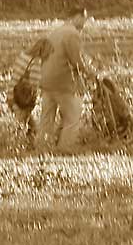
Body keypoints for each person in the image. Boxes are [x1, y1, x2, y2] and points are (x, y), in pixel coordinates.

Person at [38, 8, 96, 152]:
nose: (84, 23)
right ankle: (66, 148)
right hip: (62, 82)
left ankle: (41, 148)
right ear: (77, 17)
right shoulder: (72, 34)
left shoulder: (55, 32)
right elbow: (77, 61)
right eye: (84, 18)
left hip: (46, 80)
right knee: (73, 115)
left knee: (46, 118)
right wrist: (90, 73)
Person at [7, 38, 51, 145]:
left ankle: (27, 145)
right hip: (23, 99)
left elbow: (15, 76)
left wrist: (9, 97)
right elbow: (34, 86)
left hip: (12, 93)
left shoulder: (23, 56)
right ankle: (15, 146)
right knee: (24, 124)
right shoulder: (35, 63)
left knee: (28, 123)